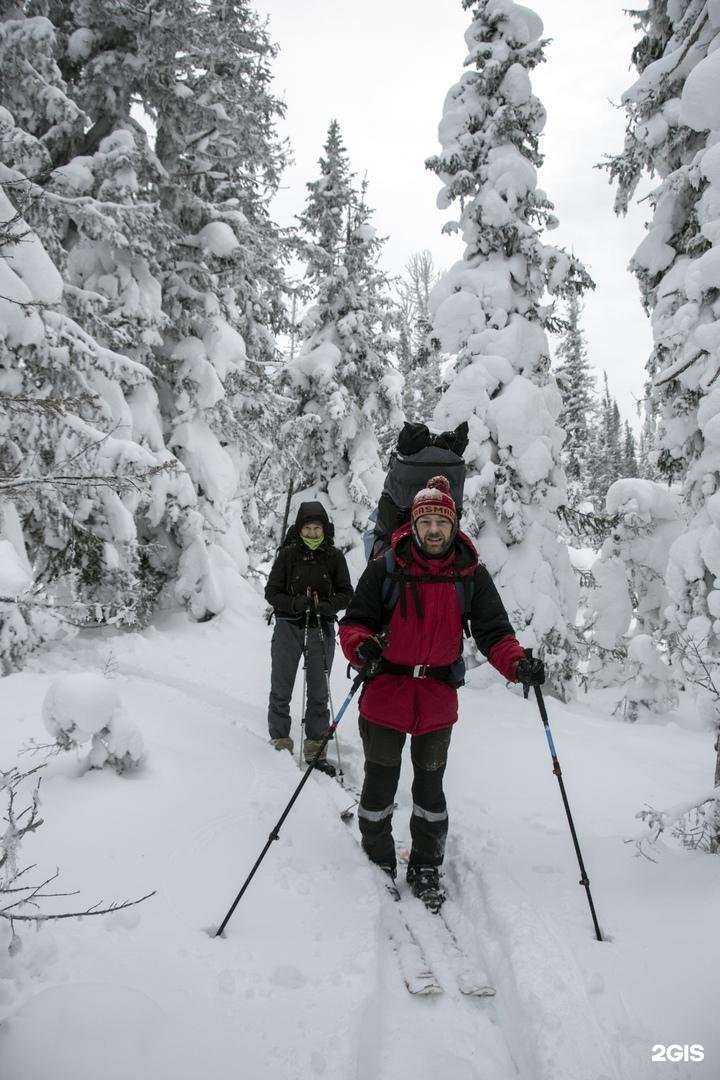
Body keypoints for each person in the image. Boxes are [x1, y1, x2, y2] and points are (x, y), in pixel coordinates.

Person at [339, 476, 545, 910]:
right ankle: (377, 856)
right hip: (387, 691)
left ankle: (427, 866)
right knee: (379, 782)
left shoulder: (469, 573)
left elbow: (495, 634)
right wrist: (363, 648)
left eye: (441, 522)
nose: (434, 530)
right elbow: (354, 623)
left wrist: (518, 664)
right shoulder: (387, 566)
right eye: (427, 521)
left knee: (430, 789)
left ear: (453, 527)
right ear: (413, 526)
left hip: (435, 696)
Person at [265, 501, 353, 776]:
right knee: (282, 685)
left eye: (317, 528)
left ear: (325, 529)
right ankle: (280, 740)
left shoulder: (335, 557)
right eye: (308, 528)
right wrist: (295, 603)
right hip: (289, 625)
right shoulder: (287, 555)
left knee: (318, 690)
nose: (313, 533)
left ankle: (316, 747)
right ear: (299, 528)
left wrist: (328, 606)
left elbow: (346, 593)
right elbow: (272, 592)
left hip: (320, 626)